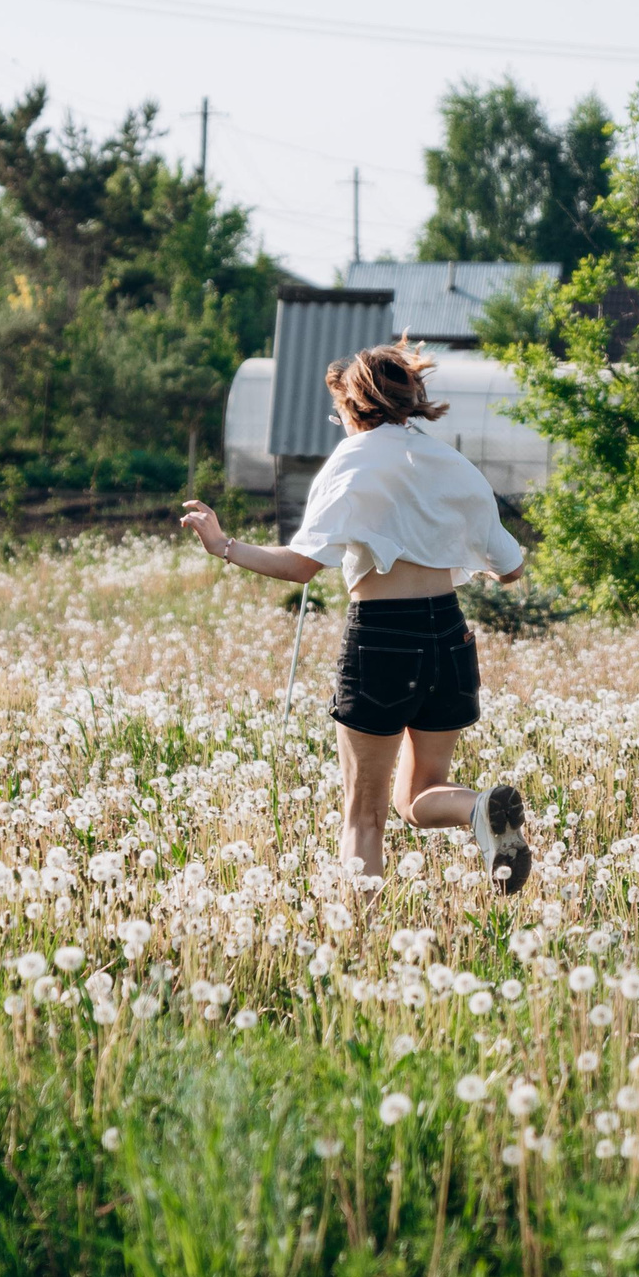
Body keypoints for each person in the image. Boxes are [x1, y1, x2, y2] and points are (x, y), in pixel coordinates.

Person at [178, 341, 532, 892]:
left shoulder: (354, 459)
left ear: (354, 404)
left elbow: (300, 566)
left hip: (384, 638)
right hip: (451, 636)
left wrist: (224, 545)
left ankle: (358, 939)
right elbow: (510, 569)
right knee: (416, 798)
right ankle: (478, 806)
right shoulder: (453, 464)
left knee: (364, 815)